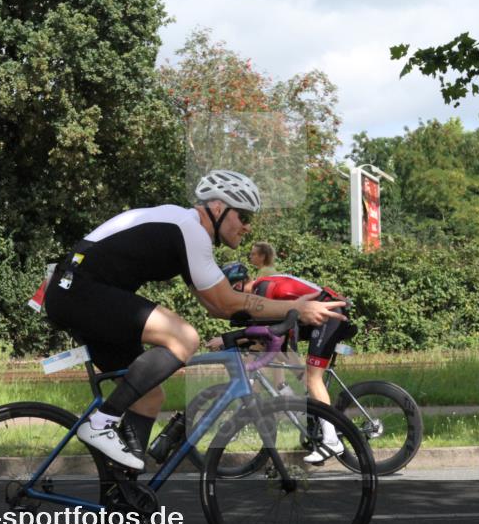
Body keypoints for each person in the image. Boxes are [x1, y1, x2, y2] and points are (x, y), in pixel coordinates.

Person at [41, 171, 347, 471]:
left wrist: (282, 314)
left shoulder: (185, 232)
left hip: (81, 294)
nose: (247, 226)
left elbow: (219, 307)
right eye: (242, 215)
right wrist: (296, 308)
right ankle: (102, 422)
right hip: (78, 290)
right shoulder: (189, 229)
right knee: (184, 337)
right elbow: (226, 302)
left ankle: (122, 507)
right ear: (217, 208)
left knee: (148, 397)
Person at [218, 262, 354, 463]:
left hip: (329, 315)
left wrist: (226, 339)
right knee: (274, 349)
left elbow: (265, 331)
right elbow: (268, 335)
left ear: (237, 286)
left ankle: (331, 439)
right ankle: (296, 402)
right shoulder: (261, 287)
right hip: (321, 314)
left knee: (312, 379)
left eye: (229, 292)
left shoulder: (261, 290)